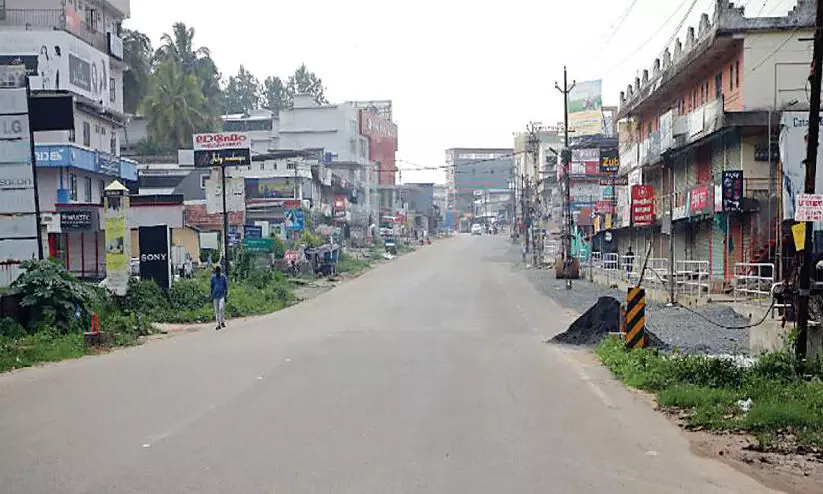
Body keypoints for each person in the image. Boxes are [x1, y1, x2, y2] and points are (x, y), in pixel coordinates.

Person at [210, 265, 228, 330]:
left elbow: (226, 287)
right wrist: (211, 295)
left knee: (221, 308)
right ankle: (218, 324)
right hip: (215, 296)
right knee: (216, 310)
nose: (217, 272)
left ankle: (222, 321)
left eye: (218, 271)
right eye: (216, 271)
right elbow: (211, 287)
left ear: (220, 271)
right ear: (215, 271)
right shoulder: (213, 277)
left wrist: (226, 295)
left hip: (222, 295)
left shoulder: (223, 277)